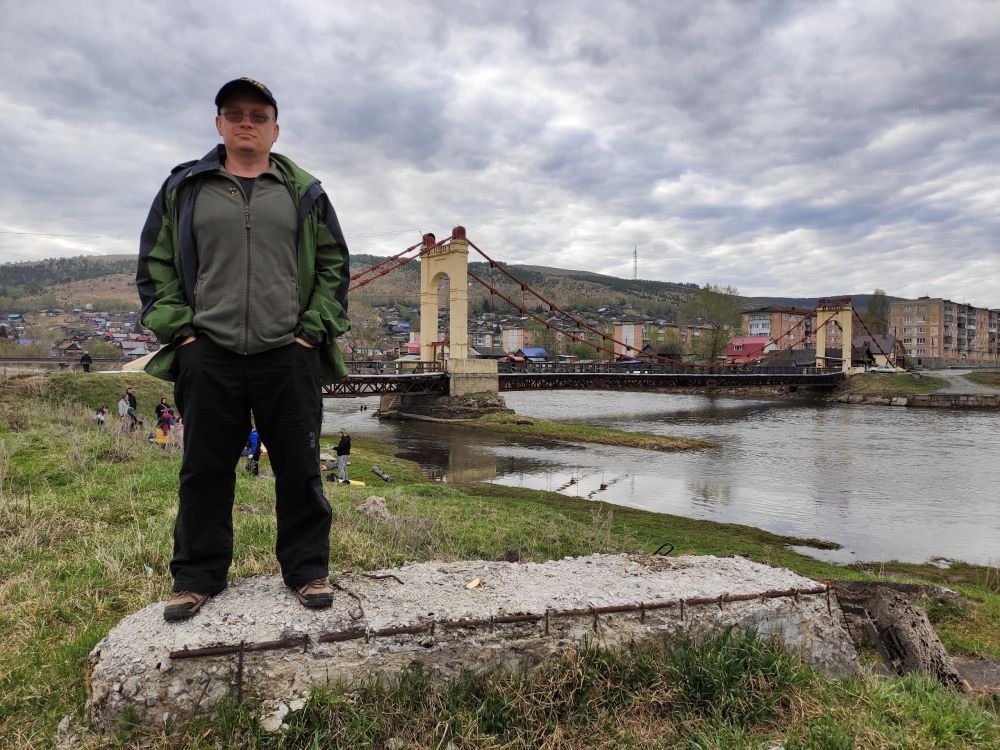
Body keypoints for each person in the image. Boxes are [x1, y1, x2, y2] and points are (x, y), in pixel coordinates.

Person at [136, 77, 351, 621]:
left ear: (276, 129)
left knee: (300, 469)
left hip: (289, 353)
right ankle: (196, 578)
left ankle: (307, 571)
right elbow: (156, 266)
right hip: (209, 351)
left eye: (258, 115)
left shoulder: (305, 193)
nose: (246, 123)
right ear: (219, 124)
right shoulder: (184, 189)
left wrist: (311, 334)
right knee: (203, 471)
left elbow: (334, 267)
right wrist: (183, 336)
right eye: (235, 114)